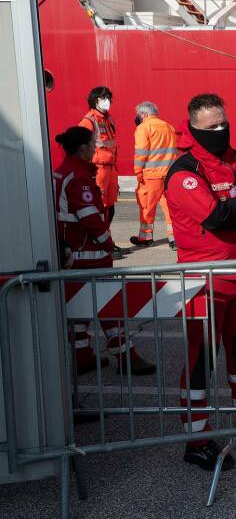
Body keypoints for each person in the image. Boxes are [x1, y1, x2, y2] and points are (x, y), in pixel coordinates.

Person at [165, 93, 236, 471]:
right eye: (211, 126)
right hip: (205, 281)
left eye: (223, 122)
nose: (220, 130)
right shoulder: (184, 171)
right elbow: (214, 216)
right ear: (193, 127)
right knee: (202, 359)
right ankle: (196, 438)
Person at [53, 126, 157, 376]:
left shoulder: (63, 172)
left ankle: (83, 355)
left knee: (81, 311)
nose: (95, 148)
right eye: (92, 144)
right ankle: (126, 357)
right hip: (88, 256)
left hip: (74, 255)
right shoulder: (78, 177)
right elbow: (90, 218)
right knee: (109, 309)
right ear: (83, 148)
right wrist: (108, 244)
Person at [129, 102, 178, 249]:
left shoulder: (143, 128)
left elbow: (141, 153)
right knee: (170, 208)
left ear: (144, 114)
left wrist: (138, 172)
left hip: (151, 176)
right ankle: (174, 239)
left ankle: (145, 237)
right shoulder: (169, 127)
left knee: (146, 208)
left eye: (138, 115)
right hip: (168, 175)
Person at [78, 86, 119, 225]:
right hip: (98, 169)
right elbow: (81, 148)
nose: (108, 101)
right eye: (104, 98)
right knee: (99, 206)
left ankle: (106, 240)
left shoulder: (109, 120)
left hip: (111, 169)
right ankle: (99, 241)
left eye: (109, 98)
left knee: (110, 208)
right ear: (96, 101)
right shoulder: (89, 121)